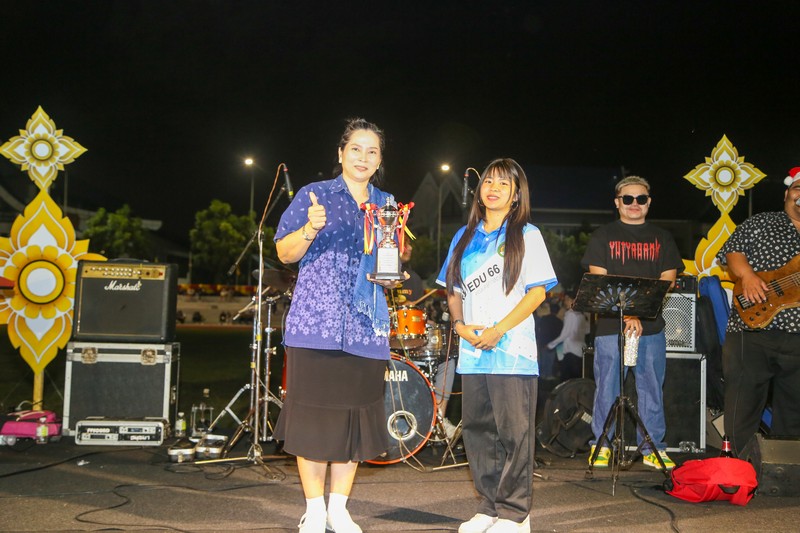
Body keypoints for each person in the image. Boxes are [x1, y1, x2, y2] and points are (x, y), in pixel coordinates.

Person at [274, 118, 402, 533]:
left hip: (365, 326)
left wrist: (391, 273)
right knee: (312, 419)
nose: (364, 157)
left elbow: (390, 259)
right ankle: (314, 509)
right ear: (341, 153)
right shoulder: (315, 195)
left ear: (379, 160)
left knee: (354, 419)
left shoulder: (386, 204)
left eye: (372, 151)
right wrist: (310, 227)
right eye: (356, 149)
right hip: (317, 322)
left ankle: (338, 509)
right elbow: (284, 253)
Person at [438, 158, 557, 533]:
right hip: (473, 353)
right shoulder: (464, 236)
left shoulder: (527, 234)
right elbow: (452, 290)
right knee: (477, 432)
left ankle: (515, 513)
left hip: (513, 353)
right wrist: (459, 325)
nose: (493, 188)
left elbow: (537, 293)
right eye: (488, 182)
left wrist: (499, 330)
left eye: (504, 184)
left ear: (516, 194)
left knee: (514, 434)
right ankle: (488, 507)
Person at [581, 175, 684, 470]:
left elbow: (668, 281)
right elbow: (601, 282)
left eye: (641, 198)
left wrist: (639, 314)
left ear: (649, 202)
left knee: (651, 388)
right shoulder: (602, 236)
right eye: (628, 199)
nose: (634, 203)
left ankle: (652, 448)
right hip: (611, 327)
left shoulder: (663, 238)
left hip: (651, 327)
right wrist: (628, 314)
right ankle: (602, 445)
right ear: (618, 203)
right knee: (607, 387)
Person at [715, 167, 800, 455]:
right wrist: (748, 275)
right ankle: (736, 468)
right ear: (787, 193)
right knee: (743, 408)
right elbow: (732, 251)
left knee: (795, 414)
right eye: (798, 188)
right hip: (751, 331)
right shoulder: (762, 221)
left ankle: (787, 472)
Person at [547, 291, 590, 382]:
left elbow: (565, 334)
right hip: (580, 351)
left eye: (567, 299)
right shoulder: (582, 314)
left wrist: (550, 345)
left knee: (567, 383)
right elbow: (587, 331)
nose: (565, 301)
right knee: (577, 382)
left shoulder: (570, 314)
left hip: (571, 352)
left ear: (574, 300)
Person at [534, 300, 562, 379]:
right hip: (552, 343)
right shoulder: (559, 321)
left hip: (543, 342)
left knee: (543, 360)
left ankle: (542, 375)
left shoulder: (544, 319)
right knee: (550, 361)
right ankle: (548, 375)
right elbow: (559, 334)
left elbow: (539, 329)